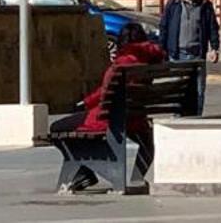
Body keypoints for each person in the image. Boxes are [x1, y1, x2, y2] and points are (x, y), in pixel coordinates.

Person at [51, 25, 169, 193]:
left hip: (111, 119)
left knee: (56, 128)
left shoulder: (122, 64)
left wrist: (84, 104)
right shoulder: (151, 60)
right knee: (142, 139)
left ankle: (84, 171)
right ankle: (136, 179)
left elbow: (106, 93)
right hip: (137, 118)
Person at [158, 0, 220, 113]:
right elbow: (164, 26)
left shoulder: (204, 5)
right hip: (177, 54)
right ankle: (178, 117)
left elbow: (212, 28)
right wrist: (162, 49)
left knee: (198, 90)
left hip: (197, 54)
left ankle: (196, 117)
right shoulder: (173, 4)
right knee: (177, 90)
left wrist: (214, 48)